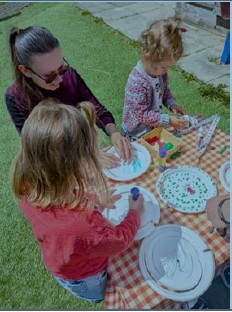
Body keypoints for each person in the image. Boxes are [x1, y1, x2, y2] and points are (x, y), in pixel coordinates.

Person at [11, 99, 145, 303]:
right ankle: (97, 298)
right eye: (92, 155)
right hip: (87, 276)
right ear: (72, 169)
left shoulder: (29, 185)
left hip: (60, 260)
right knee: (100, 294)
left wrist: (94, 201)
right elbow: (118, 241)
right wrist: (134, 213)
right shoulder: (84, 224)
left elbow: (64, 199)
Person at [5, 25, 131, 169]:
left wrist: (114, 133)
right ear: (25, 71)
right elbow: (38, 149)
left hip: (81, 143)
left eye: (61, 68)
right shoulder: (15, 97)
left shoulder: (69, 75)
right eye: (49, 76)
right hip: (58, 164)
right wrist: (84, 159)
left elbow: (96, 109)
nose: (59, 79)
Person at [121, 18, 188, 138]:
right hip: (135, 133)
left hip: (151, 126)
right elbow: (142, 114)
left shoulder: (160, 73)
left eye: (169, 67)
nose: (166, 71)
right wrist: (168, 120)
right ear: (148, 57)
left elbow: (164, 92)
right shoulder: (137, 82)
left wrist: (172, 104)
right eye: (163, 67)